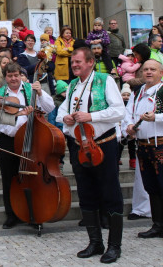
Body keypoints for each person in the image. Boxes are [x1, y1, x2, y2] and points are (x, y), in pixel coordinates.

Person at [56, 48, 125, 263]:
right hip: (79, 146)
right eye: (72, 62)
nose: (74, 65)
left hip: (103, 145)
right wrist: (66, 118)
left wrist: (90, 116)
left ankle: (114, 246)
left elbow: (119, 111)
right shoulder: (73, 85)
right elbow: (60, 112)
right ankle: (95, 242)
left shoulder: (105, 81)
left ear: (90, 62)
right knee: (86, 194)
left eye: (77, 62)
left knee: (110, 193)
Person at [123, 60, 163, 247]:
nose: (148, 72)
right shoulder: (138, 92)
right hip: (143, 145)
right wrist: (128, 126)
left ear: (161, 72)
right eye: (145, 70)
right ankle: (159, 225)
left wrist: (156, 117)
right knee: (151, 186)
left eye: (153, 69)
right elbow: (129, 114)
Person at [0, 62, 54, 229]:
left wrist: (40, 92)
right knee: (9, 179)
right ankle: (12, 215)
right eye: (10, 76)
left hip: (31, 140)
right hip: (8, 140)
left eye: (16, 75)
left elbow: (49, 107)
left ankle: (33, 215)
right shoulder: (0, 93)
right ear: (5, 77)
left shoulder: (30, 89)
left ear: (20, 75)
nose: (13, 78)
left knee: (32, 178)